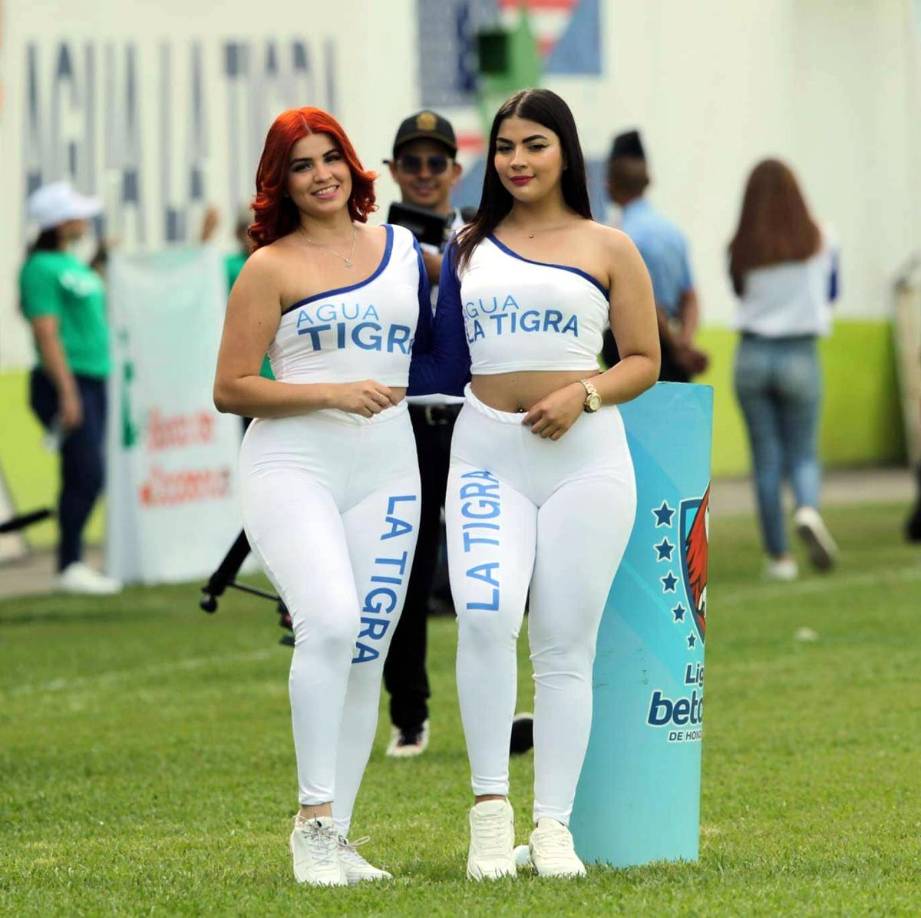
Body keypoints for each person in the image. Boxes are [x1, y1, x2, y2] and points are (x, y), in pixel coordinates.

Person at [212, 106, 465, 887]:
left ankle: (341, 837)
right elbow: (231, 387)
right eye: (300, 165)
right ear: (279, 182)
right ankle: (312, 825)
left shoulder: (404, 252)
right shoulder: (268, 267)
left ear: (352, 165)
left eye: (329, 158)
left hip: (389, 472)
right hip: (293, 467)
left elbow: (479, 293)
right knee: (328, 621)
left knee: (367, 649)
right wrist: (331, 392)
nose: (320, 175)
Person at [424, 89, 660, 879]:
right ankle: (490, 815)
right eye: (503, 147)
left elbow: (643, 360)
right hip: (486, 454)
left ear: (565, 152)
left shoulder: (609, 245)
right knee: (485, 617)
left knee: (563, 647)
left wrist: (582, 394)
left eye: (534, 145)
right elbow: (440, 361)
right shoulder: (467, 246)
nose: (517, 161)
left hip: (586, 462)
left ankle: (552, 827)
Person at [382, 110, 464, 758]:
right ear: (392, 171)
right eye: (412, 162)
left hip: (471, 421)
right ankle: (409, 713)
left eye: (436, 162)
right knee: (402, 571)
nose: (424, 174)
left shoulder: (483, 235)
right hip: (403, 423)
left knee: (490, 567)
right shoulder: (375, 244)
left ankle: (508, 705)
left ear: (455, 170)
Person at [728, 158, 839, 581]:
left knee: (766, 460)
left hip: (752, 354)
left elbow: (739, 291)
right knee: (803, 452)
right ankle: (807, 508)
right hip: (799, 352)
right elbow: (833, 290)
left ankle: (780, 558)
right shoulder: (822, 236)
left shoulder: (740, 245)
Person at [19, 182, 121, 595]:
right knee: (86, 473)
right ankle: (69, 563)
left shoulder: (68, 263)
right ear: (59, 222)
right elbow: (46, 333)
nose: (85, 220)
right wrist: (67, 393)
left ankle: (71, 563)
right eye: (77, 214)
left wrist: (100, 258)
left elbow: (84, 295)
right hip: (66, 382)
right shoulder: (39, 269)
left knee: (84, 472)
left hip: (92, 379)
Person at [604, 129, 708, 381]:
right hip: (672, 350)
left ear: (610, 184)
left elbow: (646, 302)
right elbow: (690, 297)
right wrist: (684, 342)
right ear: (647, 181)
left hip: (632, 351)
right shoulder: (673, 232)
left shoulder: (618, 237)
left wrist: (674, 347)